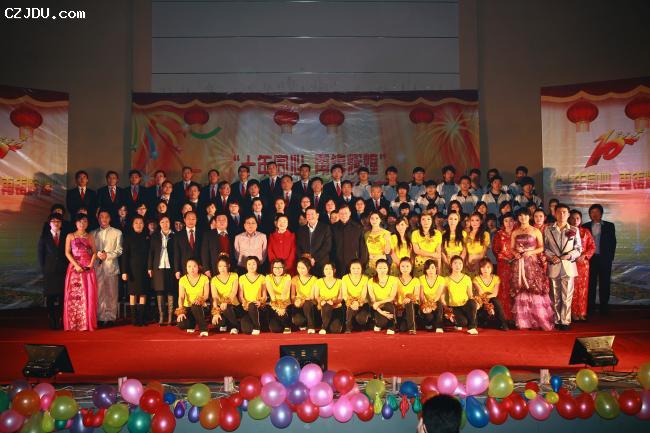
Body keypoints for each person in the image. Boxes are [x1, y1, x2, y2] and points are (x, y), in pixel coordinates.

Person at [510, 208, 554, 331]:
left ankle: (539, 320)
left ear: (529, 217)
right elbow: (512, 248)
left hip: (532, 263)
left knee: (535, 288)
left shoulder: (535, 231)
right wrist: (516, 253)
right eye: (520, 216)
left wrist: (530, 252)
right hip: (519, 264)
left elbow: (542, 248)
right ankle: (525, 322)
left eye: (525, 215)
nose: (522, 218)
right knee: (522, 288)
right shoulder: (515, 232)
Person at [544, 204, 582, 330]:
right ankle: (556, 319)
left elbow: (578, 249)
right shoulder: (548, 229)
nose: (562, 214)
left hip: (568, 266)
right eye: (559, 212)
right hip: (554, 265)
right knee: (554, 296)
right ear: (555, 214)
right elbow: (545, 248)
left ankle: (565, 321)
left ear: (568, 214)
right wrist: (552, 256)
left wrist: (569, 256)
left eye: (564, 212)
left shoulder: (574, 230)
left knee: (567, 296)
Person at [63, 214, 98, 331]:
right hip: (74, 268)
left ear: (87, 223)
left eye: (84, 222)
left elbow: (94, 252)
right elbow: (67, 253)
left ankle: (86, 323)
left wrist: (91, 264)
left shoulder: (90, 236)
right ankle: (74, 323)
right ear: (76, 223)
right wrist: (76, 265)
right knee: (74, 296)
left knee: (89, 295)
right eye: (80, 222)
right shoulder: (70, 236)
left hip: (88, 268)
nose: (82, 224)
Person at [582, 204, 616, 315]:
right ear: (589, 214)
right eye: (592, 212)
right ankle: (590, 307)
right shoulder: (585, 226)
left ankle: (604, 307)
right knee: (590, 284)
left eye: (597, 212)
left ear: (601, 214)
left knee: (605, 283)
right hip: (590, 260)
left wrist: (610, 258)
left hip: (604, 259)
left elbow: (613, 242)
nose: (595, 214)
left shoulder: (609, 226)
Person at [92, 210, 123, 327]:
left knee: (111, 293)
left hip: (111, 266)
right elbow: (90, 250)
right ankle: (100, 317)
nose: (104, 219)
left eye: (106, 217)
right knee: (99, 293)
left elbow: (119, 250)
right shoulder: (93, 233)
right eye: (101, 217)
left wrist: (107, 255)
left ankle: (110, 317)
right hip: (97, 266)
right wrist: (97, 254)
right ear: (98, 218)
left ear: (110, 218)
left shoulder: (117, 232)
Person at [38, 213, 69, 329]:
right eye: (53, 221)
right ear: (49, 223)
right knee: (50, 297)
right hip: (49, 272)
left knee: (62, 297)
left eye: (58, 221)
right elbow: (41, 256)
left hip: (63, 271)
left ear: (61, 223)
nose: (56, 223)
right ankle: (51, 319)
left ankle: (61, 319)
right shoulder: (44, 238)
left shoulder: (66, 236)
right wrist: (44, 270)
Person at [121, 215, 150, 326]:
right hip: (132, 270)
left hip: (144, 269)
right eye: (136, 223)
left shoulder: (147, 237)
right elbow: (125, 256)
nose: (138, 225)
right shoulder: (128, 238)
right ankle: (134, 318)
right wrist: (124, 271)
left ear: (144, 225)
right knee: (133, 293)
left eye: (141, 223)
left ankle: (141, 318)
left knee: (143, 292)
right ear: (132, 225)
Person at [148, 214, 176, 326]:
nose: (165, 224)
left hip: (171, 267)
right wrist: (150, 267)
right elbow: (151, 252)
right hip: (158, 267)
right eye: (162, 222)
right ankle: (161, 316)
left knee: (170, 290)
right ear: (159, 224)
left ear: (170, 223)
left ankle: (170, 317)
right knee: (159, 291)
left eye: (167, 222)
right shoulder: (154, 236)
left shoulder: (174, 235)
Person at [569, 210, 596, 321]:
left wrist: (584, 256)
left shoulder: (585, 231)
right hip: (570, 263)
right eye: (572, 218)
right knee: (572, 288)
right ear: (569, 219)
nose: (575, 220)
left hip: (583, 264)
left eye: (577, 218)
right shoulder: (566, 231)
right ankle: (572, 312)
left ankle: (581, 312)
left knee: (583, 288)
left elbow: (592, 247)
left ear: (581, 220)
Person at [331, 206, 369, 277]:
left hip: (353, 264)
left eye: (346, 213)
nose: (344, 215)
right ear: (338, 214)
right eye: (341, 213)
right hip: (337, 264)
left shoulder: (358, 227)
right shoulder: (333, 228)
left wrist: (361, 264)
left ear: (350, 213)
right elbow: (331, 247)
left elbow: (362, 248)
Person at [443, 256, 478, 334]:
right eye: (455, 263)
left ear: (462, 265)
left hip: (465, 306)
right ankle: (459, 322)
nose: (457, 266)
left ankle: (472, 327)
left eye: (460, 263)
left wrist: (476, 303)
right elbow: (442, 297)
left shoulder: (467, 278)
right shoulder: (446, 279)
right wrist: (447, 310)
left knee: (472, 302)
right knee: (463, 322)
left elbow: (470, 295)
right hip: (454, 307)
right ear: (451, 265)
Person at [176, 258, 209, 337]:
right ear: (186, 268)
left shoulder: (204, 278)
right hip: (188, 307)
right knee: (181, 324)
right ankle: (192, 324)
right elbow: (181, 297)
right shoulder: (182, 279)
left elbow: (206, 295)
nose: (192, 269)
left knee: (195, 306)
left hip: (200, 306)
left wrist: (200, 300)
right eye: (189, 266)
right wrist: (181, 311)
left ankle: (204, 329)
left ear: (198, 267)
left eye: (194, 266)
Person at [492, 213, 515, 322]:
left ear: (514, 222)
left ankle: (516, 317)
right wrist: (505, 258)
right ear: (503, 222)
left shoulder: (518, 232)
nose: (508, 223)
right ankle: (504, 317)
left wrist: (515, 258)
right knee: (504, 289)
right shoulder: (499, 234)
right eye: (506, 221)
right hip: (503, 265)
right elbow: (495, 250)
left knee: (515, 288)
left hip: (516, 264)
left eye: (511, 221)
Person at [473, 258, 508, 330]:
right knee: (479, 303)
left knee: (495, 300)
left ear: (491, 268)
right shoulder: (476, 279)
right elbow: (481, 293)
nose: (485, 270)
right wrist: (488, 304)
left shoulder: (496, 278)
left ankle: (503, 324)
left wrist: (490, 304)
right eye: (483, 267)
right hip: (481, 302)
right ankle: (476, 323)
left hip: (492, 301)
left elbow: (495, 294)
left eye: (488, 267)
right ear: (480, 269)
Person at [296, 207, 332, 277]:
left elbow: (327, 246)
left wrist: (314, 258)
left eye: (312, 214)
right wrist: (304, 259)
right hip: (305, 265)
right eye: (308, 214)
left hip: (321, 263)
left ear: (317, 215)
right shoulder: (301, 229)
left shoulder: (325, 227)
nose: (310, 216)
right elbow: (298, 246)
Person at [210, 255, 240, 334]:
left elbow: (233, 292)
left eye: (224, 266)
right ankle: (225, 323)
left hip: (233, 305)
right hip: (220, 307)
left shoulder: (234, 276)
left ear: (228, 266)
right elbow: (215, 297)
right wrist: (216, 311)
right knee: (217, 323)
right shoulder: (214, 279)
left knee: (227, 307)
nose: (222, 268)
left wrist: (226, 302)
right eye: (220, 266)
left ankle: (235, 326)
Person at [238, 256, 266, 335]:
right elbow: (240, 296)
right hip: (246, 307)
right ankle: (256, 323)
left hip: (257, 306)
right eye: (249, 264)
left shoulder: (262, 278)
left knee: (252, 305)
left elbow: (264, 295)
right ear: (246, 266)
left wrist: (260, 302)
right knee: (246, 330)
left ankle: (257, 327)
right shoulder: (242, 278)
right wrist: (244, 302)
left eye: (254, 264)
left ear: (257, 265)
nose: (251, 266)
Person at [368, 259, 397, 335]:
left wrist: (379, 302)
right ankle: (379, 324)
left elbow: (392, 297)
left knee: (388, 304)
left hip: (389, 306)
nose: (382, 270)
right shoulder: (371, 281)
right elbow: (373, 302)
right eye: (380, 268)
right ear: (376, 268)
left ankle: (391, 326)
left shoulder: (394, 280)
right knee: (381, 323)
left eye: (384, 268)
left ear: (388, 268)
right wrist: (382, 312)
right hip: (377, 308)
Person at [341, 260, 370, 333]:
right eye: (353, 268)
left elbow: (363, 295)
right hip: (349, 302)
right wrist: (352, 302)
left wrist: (358, 302)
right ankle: (348, 327)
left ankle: (360, 323)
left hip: (362, 303)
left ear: (361, 269)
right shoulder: (345, 278)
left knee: (361, 320)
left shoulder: (365, 278)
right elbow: (344, 294)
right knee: (350, 309)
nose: (356, 271)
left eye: (358, 268)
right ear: (350, 268)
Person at [314, 262, 343, 334]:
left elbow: (340, 298)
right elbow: (316, 296)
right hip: (323, 307)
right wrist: (321, 301)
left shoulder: (340, 282)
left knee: (336, 330)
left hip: (335, 307)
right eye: (326, 269)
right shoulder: (319, 281)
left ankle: (326, 325)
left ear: (334, 270)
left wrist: (333, 302)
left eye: (330, 269)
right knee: (327, 306)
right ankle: (324, 327)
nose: (328, 271)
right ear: (323, 271)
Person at [291, 258, 318, 333]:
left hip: (310, 302)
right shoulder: (294, 279)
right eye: (298, 267)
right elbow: (292, 296)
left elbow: (313, 296)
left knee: (307, 304)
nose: (300, 270)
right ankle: (303, 322)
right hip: (299, 302)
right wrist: (296, 300)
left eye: (303, 268)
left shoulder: (314, 279)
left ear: (308, 268)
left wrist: (305, 300)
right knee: (297, 321)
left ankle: (311, 326)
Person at [266, 259, 293, 334]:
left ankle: (288, 326)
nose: (277, 270)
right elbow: (272, 295)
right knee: (275, 329)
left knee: (284, 313)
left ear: (283, 268)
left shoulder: (287, 277)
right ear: (272, 268)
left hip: (285, 303)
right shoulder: (268, 277)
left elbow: (284, 294)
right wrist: (277, 308)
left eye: (280, 267)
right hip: (274, 304)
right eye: (275, 267)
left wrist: (282, 308)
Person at [173, 210, 202, 279]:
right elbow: (176, 254)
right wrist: (177, 270)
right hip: (184, 268)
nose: (191, 221)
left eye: (193, 219)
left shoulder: (202, 233)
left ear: (196, 220)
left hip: (200, 268)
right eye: (188, 219)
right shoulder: (178, 235)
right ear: (184, 220)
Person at [419, 260, 445, 333]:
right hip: (425, 303)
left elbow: (438, 295)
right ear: (425, 270)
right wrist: (426, 305)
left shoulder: (441, 279)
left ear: (436, 268)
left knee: (439, 304)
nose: (431, 270)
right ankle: (428, 324)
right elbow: (421, 296)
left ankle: (439, 326)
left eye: (432, 268)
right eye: (428, 268)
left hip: (435, 302)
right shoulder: (421, 278)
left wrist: (431, 305)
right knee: (429, 317)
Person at [396, 258, 420, 334]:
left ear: (411, 267)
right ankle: (412, 322)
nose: (405, 269)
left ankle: (412, 329)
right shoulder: (395, 280)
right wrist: (398, 304)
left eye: (407, 266)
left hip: (412, 305)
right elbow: (393, 296)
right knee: (402, 328)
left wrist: (409, 298)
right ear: (399, 267)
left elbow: (416, 296)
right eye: (402, 266)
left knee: (409, 302)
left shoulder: (416, 280)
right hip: (400, 307)